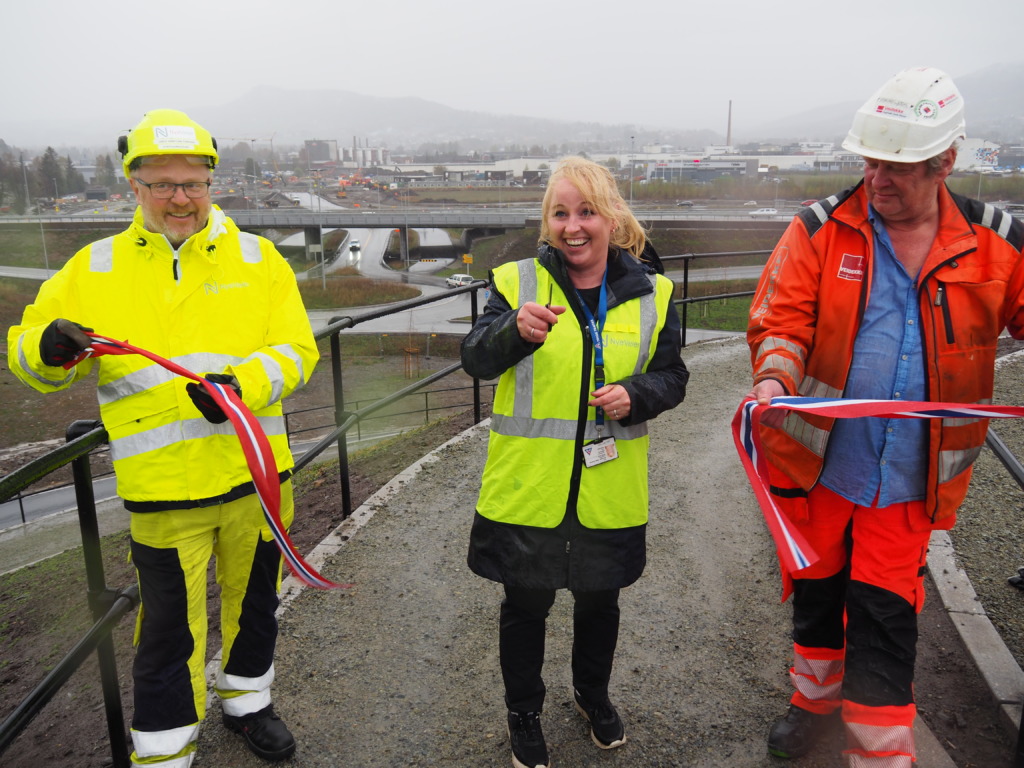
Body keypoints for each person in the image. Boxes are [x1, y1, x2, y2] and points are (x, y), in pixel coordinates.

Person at [7, 109, 319, 767]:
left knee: (255, 605)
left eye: (193, 183)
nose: (180, 198)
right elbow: (26, 360)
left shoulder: (258, 259)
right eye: (162, 184)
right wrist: (48, 346)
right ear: (134, 186)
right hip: (163, 493)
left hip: (255, 478)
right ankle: (165, 750)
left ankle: (248, 704)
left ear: (211, 181)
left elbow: (298, 350)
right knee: (168, 629)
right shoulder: (93, 269)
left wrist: (243, 385)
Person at [746, 67, 1024, 767]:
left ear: (946, 162)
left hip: (907, 483)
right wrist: (774, 377)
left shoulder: (997, 244)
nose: (877, 179)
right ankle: (812, 704)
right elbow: (781, 322)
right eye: (870, 162)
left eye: (896, 167)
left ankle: (877, 756)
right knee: (816, 599)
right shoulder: (819, 231)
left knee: (883, 620)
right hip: (817, 470)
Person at [461, 156, 689, 768]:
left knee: (599, 602)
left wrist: (635, 395)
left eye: (586, 211)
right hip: (527, 489)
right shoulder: (515, 283)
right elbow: (476, 359)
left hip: (608, 488)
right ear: (548, 222)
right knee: (526, 605)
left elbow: (673, 377)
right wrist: (513, 331)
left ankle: (592, 695)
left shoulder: (654, 292)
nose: (573, 226)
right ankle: (524, 715)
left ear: (611, 218)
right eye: (560, 214)